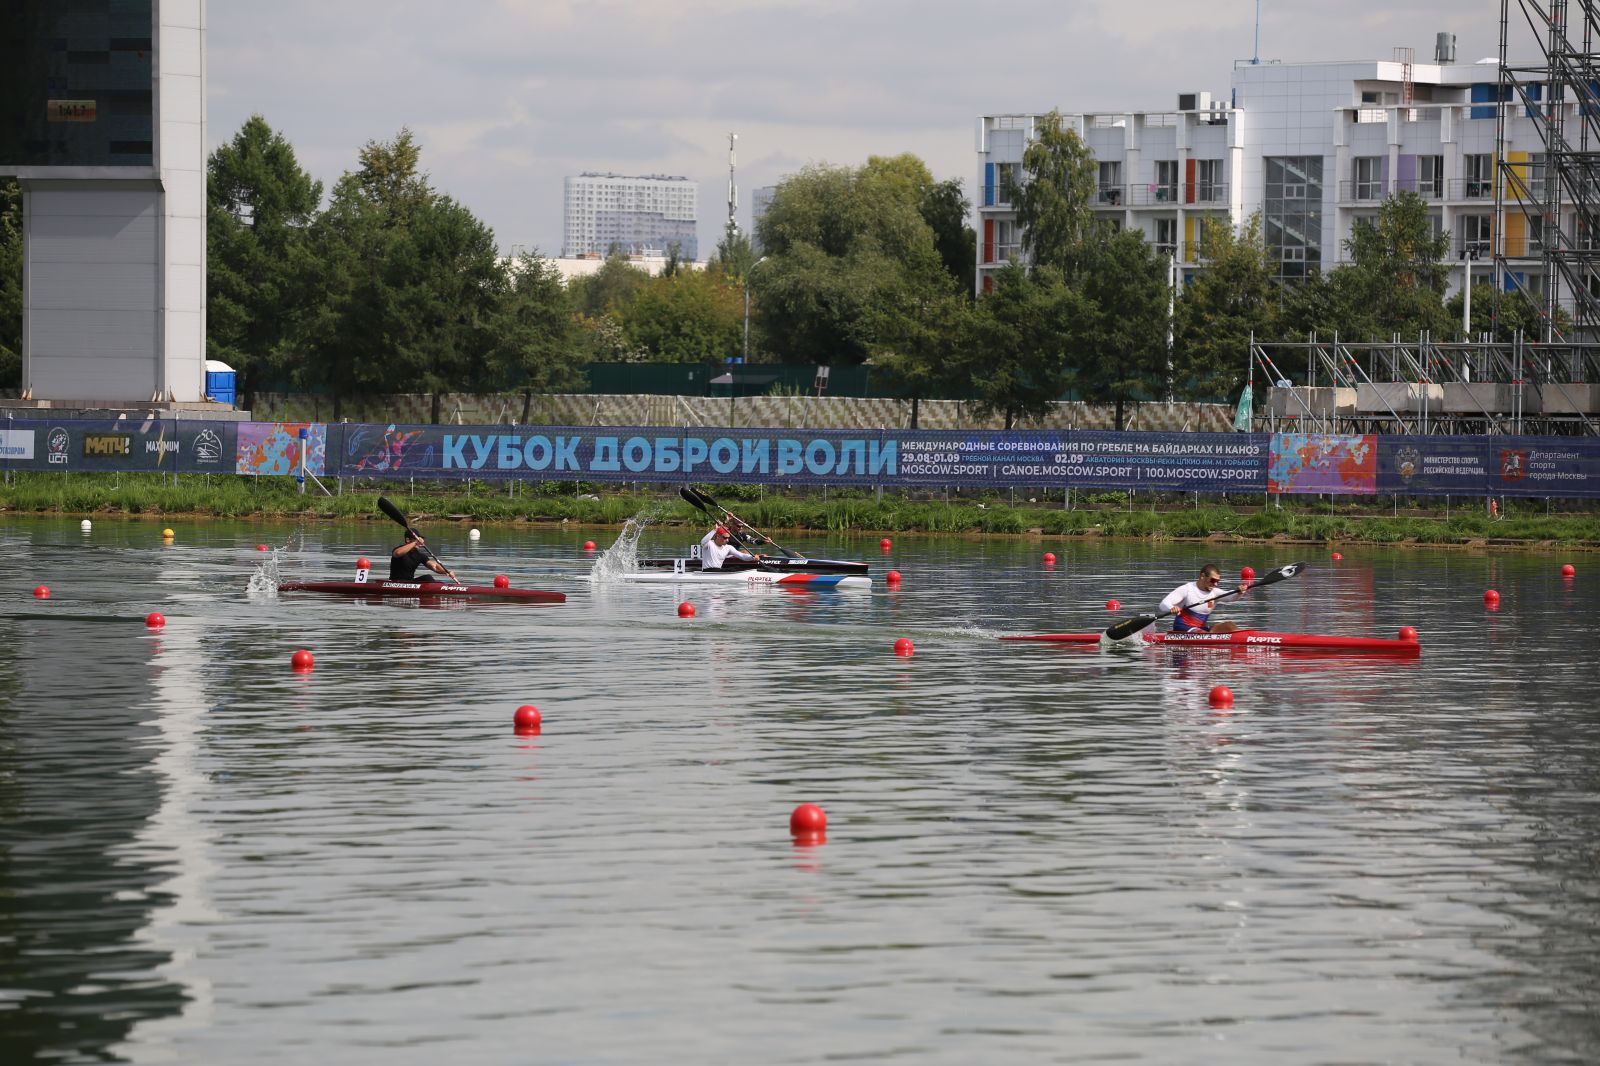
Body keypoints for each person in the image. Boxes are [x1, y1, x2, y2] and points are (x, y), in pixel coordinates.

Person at [1159, 563, 1245, 633]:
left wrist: (1239, 592)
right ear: (1202, 576)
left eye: (1218, 581)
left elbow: (1230, 597)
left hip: (1200, 629)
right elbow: (1163, 604)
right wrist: (1172, 608)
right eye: (1213, 580)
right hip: (1182, 629)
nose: (1215, 584)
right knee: (1202, 633)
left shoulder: (1214, 593)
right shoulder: (1187, 589)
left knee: (1229, 626)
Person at [390, 532, 457, 583]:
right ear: (407, 540)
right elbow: (397, 553)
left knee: (427, 577)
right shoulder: (398, 549)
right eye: (417, 539)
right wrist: (415, 542)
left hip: (410, 582)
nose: (420, 542)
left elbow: (435, 567)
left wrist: (447, 572)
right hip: (395, 582)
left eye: (419, 540)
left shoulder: (420, 555)